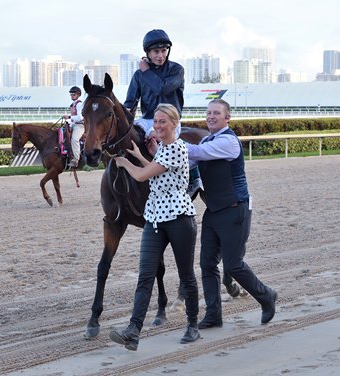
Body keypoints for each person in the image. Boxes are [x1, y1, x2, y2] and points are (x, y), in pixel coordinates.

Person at [109, 103, 200, 351]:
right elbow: (154, 165)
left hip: (179, 218)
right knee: (145, 276)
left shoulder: (177, 148)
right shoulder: (162, 149)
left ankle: (193, 325)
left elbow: (141, 175)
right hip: (155, 219)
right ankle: (133, 331)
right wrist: (141, 154)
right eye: (156, 122)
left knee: (186, 275)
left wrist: (125, 162)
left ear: (174, 124)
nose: (157, 126)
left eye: (162, 122)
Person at [187, 98, 278, 329]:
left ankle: (266, 296)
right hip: (214, 210)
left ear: (227, 117)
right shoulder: (209, 139)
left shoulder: (228, 142)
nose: (211, 116)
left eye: (216, 113)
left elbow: (195, 151)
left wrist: (168, 140)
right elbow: (188, 159)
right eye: (208, 113)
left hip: (235, 209)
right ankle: (213, 315)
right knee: (207, 264)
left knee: (234, 265)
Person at [123, 28, 203, 198]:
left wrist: (146, 71)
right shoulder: (138, 75)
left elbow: (161, 88)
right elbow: (130, 102)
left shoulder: (176, 70)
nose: (160, 55)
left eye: (163, 50)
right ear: (148, 53)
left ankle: (192, 177)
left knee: (162, 142)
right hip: (146, 120)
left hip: (170, 120)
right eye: (156, 51)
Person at [63, 86, 84, 168]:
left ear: (78, 94)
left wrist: (69, 117)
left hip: (80, 126)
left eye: (73, 94)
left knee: (74, 139)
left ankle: (76, 160)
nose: (71, 95)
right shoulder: (74, 104)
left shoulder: (79, 104)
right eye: (71, 94)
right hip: (74, 124)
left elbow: (80, 117)